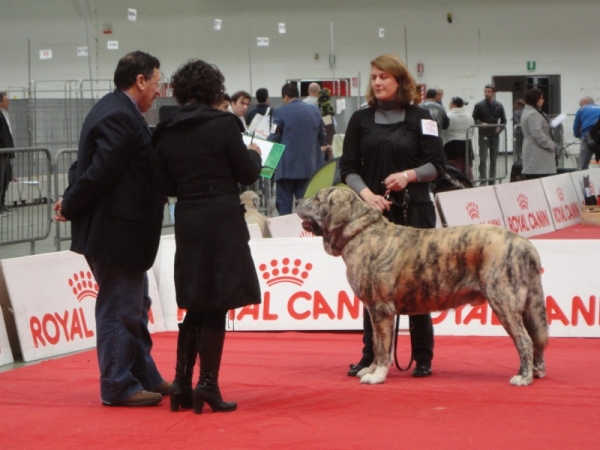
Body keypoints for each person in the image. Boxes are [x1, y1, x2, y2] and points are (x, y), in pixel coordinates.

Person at [53, 51, 170, 407]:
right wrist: (71, 204)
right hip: (117, 233)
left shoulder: (114, 110)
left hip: (121, 233)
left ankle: (144, 376)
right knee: (121, 307)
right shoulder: (119, 115)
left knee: (134, 305)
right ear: (139, 81)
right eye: (156, 82)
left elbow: (86, 166)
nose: (158, 91)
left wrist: (71, 198)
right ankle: (118, 386)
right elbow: (99, 172)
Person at [152, 59, 262, 414]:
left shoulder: (165, 129)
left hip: (187, 216)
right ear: (214, 89)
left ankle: (182, 384)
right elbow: (246, 173)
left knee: (196, 300)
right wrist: (254, 155)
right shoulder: (223, 124)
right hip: (222, 217)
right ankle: (208, 386)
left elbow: (165, 183)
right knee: (217, 300)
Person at [339, 53, 445, 378]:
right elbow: (347, 168)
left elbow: (437, 166)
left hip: (415, 212)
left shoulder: (422, 116)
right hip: (373, 217)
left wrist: (409, 175)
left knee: (419, 285)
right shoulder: (360, 119)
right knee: (373, 289)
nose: (378, 82)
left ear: (400, 80)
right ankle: (371, 355)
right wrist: (366, 194)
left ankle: (423, 356)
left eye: (384, 76)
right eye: (373, 77)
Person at [267, 82, 326, 215]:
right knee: (306, 208)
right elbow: (322, 136)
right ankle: (305, 234)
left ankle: (286, 234)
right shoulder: (315, 111)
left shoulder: (280, 111)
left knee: (284, 207)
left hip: (286, 168)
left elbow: (274, 136)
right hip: (308, 168)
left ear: (286, 97)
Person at [472, 84, 507, 185]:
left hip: (495, 135)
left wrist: (500, 128)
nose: (486, 93)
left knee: (494, 159)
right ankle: (483, 180)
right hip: (483, 134)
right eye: (485, 91)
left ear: (493, 92)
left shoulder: (499, 106)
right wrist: (480, 124)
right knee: (483, 158)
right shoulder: (479, 105)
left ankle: (492, 180)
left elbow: (504, 120)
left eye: (488, 91)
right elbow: (473, 119)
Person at [520, 88, 556, 179]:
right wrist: (552, 145)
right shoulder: (533, 114)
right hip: (538, 156)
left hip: (536, 154)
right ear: (535, 99)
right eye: (541, 98)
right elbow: (537, 134)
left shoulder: (530, 111)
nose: (543, 100)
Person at [443, 96, 474, 179]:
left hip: (452, 144)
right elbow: (472, 128)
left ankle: (457, 183)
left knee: (455, 166)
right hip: (467, 143)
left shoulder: (448, 115)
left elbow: (444, 129)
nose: (449, 105)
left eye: (450, 103)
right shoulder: (469, 116)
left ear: (454, 104)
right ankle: (470, 183)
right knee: (467, 166)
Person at [573, 96, 600, 170]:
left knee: (583, 165)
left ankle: (582, 177)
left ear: (585, 102)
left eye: (580, 104)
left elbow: (576, 127)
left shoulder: (581, 110)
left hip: (588, 137)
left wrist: (578, 135)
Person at [0, 91, 15, 216]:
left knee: (6, 178)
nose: (8, 102)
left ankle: (2, 203)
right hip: (1, 152)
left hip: (6, 153)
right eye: (6, 100)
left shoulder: (4, 114)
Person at [317, 87, 336, 158]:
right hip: (325, 146)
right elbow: (330, 131)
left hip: (324, 147)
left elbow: (329, 131)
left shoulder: (320, 110)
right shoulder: (327, 113)